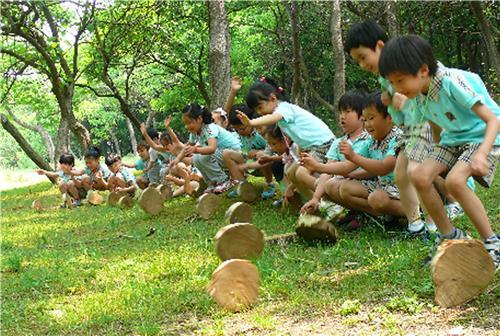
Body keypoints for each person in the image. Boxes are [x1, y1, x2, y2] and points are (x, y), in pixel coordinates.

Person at [379, 34, 500, 267]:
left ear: (423, 70)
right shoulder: (417, 95)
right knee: (419, 175)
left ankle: (492, 242)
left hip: (482, 135)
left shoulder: (450, 82)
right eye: (393, 83)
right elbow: (435, 124)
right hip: (452, 139)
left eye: (400, 81)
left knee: (455, 182)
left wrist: (482, 154)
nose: (397, 89)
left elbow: (493, 119)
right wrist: (435, 159)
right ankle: (450, 237)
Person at [237, 77, 335, 198]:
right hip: (312, 147)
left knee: (301, 173)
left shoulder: (284, 108)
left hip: (324, 144)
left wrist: (251, 123)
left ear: (273, 98)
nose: (259, 112)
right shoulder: (283, 118)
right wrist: (299, 157)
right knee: (291, 172)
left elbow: (273, 118)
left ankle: (332, 201)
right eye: (256, 110)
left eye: (260, 107)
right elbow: (300, 139)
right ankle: (315, 206)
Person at [172, 103, 241, 194]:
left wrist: (196, 149)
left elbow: (212, 148)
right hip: (222, 154)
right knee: (196, 158)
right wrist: (177, 160)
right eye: (185, 124)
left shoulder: (210, 128)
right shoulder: (195, 132)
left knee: (202, 155)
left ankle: (223, 180)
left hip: (234, 154)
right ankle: (211, 183)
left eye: (189, 123)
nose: (186, 126)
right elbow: (186, 147)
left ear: (199, 119)